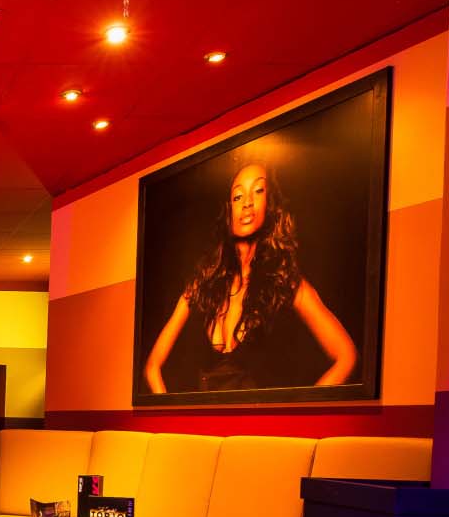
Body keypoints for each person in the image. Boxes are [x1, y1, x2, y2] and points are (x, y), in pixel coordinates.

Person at [142, 160, 356, 393]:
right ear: (229, 211)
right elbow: (152, 367)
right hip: (202, 418)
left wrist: (300, 410)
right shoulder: (202, 284)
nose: (247, 203)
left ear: (270, 204)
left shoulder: (286, 282)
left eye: (258, 191)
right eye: (238, 196)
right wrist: (169, 409)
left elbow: (346, 357)